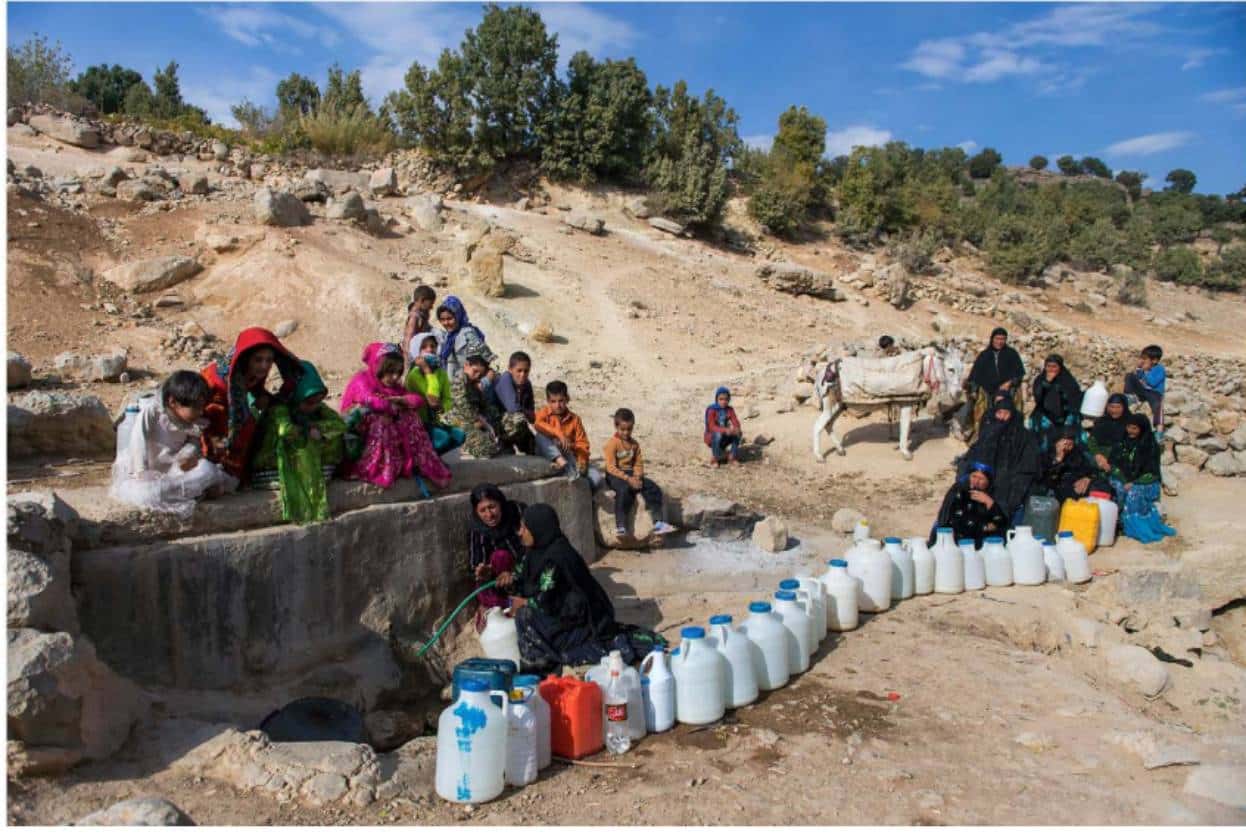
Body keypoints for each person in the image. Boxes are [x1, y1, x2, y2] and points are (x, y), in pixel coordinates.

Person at [504, 503, 662, 670]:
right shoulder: (534, 553)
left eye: (523, 527)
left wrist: (524, 603)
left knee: (525, 615)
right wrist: (508, 581)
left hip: (579, 622)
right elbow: (520, 579)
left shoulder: (557, 557)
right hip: (558, 615)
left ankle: (542, 664)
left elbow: (544, 598)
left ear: (538, 528)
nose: (519, 532)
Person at [110, 371, 238, 516]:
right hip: (147, 473)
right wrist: (142, 471)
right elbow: (138, 440)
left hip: (173, 470)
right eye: (196, 407)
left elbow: (193, 442)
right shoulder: (152, 412)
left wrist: (187, 456)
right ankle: (192, 492)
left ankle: (184, 491)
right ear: (173, 402)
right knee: (146, 493)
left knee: (207, 469)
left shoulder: (194, 422)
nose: (200, 412)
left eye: (202, 407)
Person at [340, 342, 452, 490]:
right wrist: (392, 407)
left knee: (411, 418)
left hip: (388, 423)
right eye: (390, 371)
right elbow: (369, 399)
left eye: (398, 373)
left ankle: (409, 464)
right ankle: (373, 467)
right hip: (357, 433)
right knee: (382, 421)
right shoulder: (362, 379)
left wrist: (403, 400)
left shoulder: (395, 387)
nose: (394, 377)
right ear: (379, 366)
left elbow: (417, 400)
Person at [201, 327, 303, 481]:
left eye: (269, 360)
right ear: (245, 358)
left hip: (229, 411)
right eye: (258, 359)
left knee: (250, 424)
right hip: (208, 415)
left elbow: (256, 389)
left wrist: (265, 398)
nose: (264, 366)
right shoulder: (216, 381)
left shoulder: (253, 372)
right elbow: (202, 411)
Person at [251, 361, 346, 523]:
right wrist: (307, 430)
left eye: (317, 402)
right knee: (301, 443)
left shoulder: (317, 407)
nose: (313, 407)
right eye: (309, 403)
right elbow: (285, 430)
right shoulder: (279, 408)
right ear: (296, 393)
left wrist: (317, 427)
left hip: (303, 451)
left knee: (334, 437)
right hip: (274, 460)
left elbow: (340, 425)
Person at [963, 395, 1039, 523]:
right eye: (999, 413)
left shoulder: (1024, 437)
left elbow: (1028, 467)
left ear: (1013, 415)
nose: (1002, 417)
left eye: (1006, 413)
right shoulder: (988, 433)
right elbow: (971, 459)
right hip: (986, 484)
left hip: (1013, 487)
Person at [602, 408, 677, 538]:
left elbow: (638, 463)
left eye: (629, 429)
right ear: (616, 426)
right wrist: (628, 479)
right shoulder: (612, 444)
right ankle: (621, 525)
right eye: (623, 429)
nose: (626, 433)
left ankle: (658, 522)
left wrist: (637, 476)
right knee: (624, 490)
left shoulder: (635, 444)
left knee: (653, 488)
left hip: (631, 473)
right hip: (615, 474)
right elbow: (610, 467)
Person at [1108, 413, 1176, 543]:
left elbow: (1152, 472)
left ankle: (1133, 527)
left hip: (1146, 481)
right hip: (1122, 478)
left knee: (1134, 494)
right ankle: (1118, 523)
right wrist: (1124, 480)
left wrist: (1134, 482)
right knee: (1117, 488)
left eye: (1134, 428)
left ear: (1142, 428)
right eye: (1128, 427)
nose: (1130, 431)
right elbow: (1113, 465)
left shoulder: (1151, 446)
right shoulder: (1121, 442)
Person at [467, 484, 526, 629]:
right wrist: (484, 572)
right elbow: (475, 565)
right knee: (500, 557)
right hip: (498, 582)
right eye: (482, 510)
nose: (489, 515)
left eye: (492, 507)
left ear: (501, 503)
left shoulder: (516, 512)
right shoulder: (477, 531)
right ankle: (500, 605)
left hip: (525, 570)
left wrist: (514, 573)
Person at [963, 326, 1026, 444]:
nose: (1000, 342)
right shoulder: (984, 355)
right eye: (997, 338)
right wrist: (972, 389)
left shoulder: (1012, 354)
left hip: (1007, 393)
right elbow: (975, 376)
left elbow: (1019, 374)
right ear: (992, 339)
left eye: (1002, 339)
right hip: (988, 392)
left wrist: (1009, 382)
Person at [404, 332, 464, 454]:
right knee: (443, 438)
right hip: (419, 423)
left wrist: (443, 407)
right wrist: (427, 371)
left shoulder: (441, 372)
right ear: (417, 351)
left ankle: (434, 458)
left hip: (434, 421)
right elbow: (433, 397)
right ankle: (423, 462)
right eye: (424, 347)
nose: (430, 349)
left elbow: (448, 398)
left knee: (459, 435)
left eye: (433, 346)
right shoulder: (414, 374)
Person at [930, 461, 1010, 548]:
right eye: (974, 476)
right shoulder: (959, 491)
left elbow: (1002, 522)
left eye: (981, 479)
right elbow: (951, 517)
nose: (976, 481)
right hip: (957, 538)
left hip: (983, 540)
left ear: (988, 482)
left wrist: (989, 502)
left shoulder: (995, 495)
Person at [443, 354, 503, 459]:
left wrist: (494, 419)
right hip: (458, 422)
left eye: (480, 374)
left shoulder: (473, 384)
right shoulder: (461, 378)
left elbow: (485, 406)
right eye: (475, 371)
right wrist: (478, 421)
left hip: (473, 422)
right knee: (485, 448)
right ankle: (462, 446)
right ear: (466, 366)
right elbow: (463, 405)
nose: (477, 376)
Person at [534, 380, 592, 480]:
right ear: (548, 401)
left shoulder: (575, 419)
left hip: (567, 454)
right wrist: (558, 434)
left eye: (561, 401)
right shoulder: (543, 413)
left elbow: (582, 444)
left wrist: (582, 462)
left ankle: (569, 469)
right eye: (553, 401)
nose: (558, 405)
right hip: (547, 453)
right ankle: (562, 463)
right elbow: (537, 424)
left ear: (567, 399)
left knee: (596, 478)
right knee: (540, 436)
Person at [434, 296, 497, 383]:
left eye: (449, 318)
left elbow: (484, 364)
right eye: (442, 319)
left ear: (458, 315)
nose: (446, 323)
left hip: (469, 387)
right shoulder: (448, 337)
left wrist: (482, 384)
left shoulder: (468, 335)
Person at [1038, 425, 1106, 503]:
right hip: (1057, 495)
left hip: (1078, 494)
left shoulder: (1078, 455)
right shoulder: (1045, 457)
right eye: (1064, 443)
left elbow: (1092, 471)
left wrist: (1088, 479)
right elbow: (1046, 480)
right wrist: (1057, 460)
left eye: (1070, 444)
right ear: (1056, 442)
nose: (1066, 447)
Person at [1029, 354, 1082, 452]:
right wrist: (1047, 382)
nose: (1051, 369)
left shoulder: (1068, 381)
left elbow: (1075, 400)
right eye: (1048, 366)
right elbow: (1038, 397)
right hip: (1045, 419)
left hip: (1066, 419)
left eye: (1054, 366)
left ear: (1060, 367)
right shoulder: (1040, 380)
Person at [491, 351, 536, 455]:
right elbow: (513, 408)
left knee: (534, 447)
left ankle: (510, 445)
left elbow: (532, 416)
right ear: (510, 369)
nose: (523, 374)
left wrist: (527, 413)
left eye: (526, 371)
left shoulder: (527, 384)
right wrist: (526, 412)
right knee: (518, 418)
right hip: (497, 422)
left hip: (516, 423)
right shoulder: (505, 379)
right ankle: (503, 443)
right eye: (519, 371)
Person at [1123, 344, 1166, 434]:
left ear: (1154, 360)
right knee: (1130, 376)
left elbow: (1153, 383)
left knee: (1158, 407)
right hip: (1144, 391)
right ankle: (1129, 396)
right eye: (1142, 358)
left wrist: (1146, 371)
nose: (1143, 361)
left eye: (1145, 359)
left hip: (1154, 393)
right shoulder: (1145, 368)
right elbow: (1138, 377)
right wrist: (1139, 368)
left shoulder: (1160, 369)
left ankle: (1159, 430)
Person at [1086, 393, 1131, 468]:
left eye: (1118, 407)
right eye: (1111, 406)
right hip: (1098, 457)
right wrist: (1097, 455)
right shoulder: (1102, 421)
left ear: (1124, 407)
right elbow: (1091, 440)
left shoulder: (1131, 423)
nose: (1114, 410)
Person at [402, 285, 437, 373]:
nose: (432, 307)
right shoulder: (415, 317)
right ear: (422, 300)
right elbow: (408, 341)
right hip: (413, 359)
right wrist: (410, 360)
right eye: (431, 303)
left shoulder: (422, 315)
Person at [704, 386, 743, 467]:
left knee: (738, 433)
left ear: (729, 400)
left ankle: (732, 457)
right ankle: (715, 459)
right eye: (721, 399)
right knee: (718, 434)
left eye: (726, 399)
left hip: (724, 435)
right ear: (716, 399)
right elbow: (711, 427)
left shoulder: (729, 409)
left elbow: (735, 421)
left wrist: (737, 428)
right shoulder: (712, 410)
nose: (723, 402)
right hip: (712, 437)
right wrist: (725, 430)